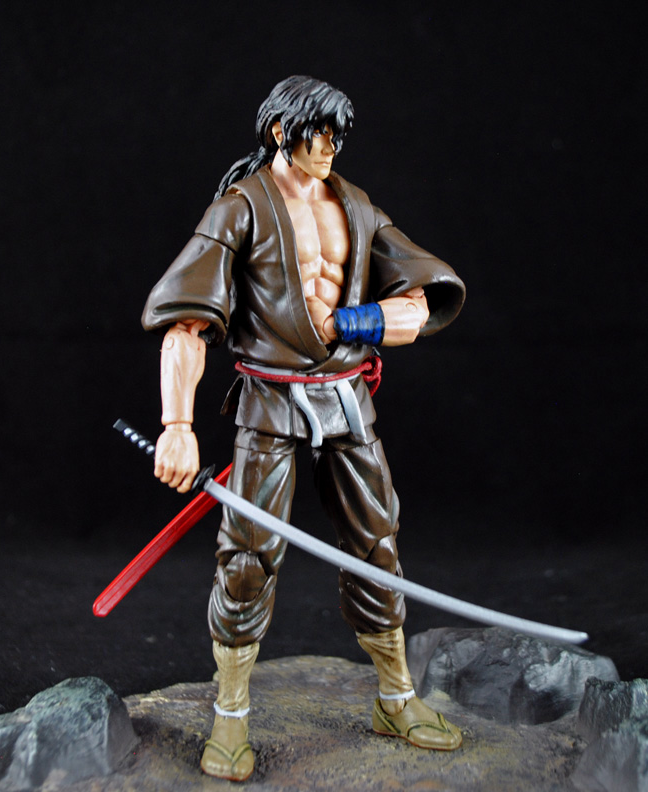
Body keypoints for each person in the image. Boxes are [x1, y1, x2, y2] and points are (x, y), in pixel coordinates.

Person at [142, 76, 466, 782]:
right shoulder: (240, 207)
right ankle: (230, 713)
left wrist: (361, 320)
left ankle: (396, 697)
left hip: (346, 397)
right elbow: (186, 324)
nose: (328, 148)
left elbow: (421, 301)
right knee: (247, 557)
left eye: (336, 136)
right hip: (270, 401)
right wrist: (176, 425)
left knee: (376, 543)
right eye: (317, 133)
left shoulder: (355, 206)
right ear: (278, 131)